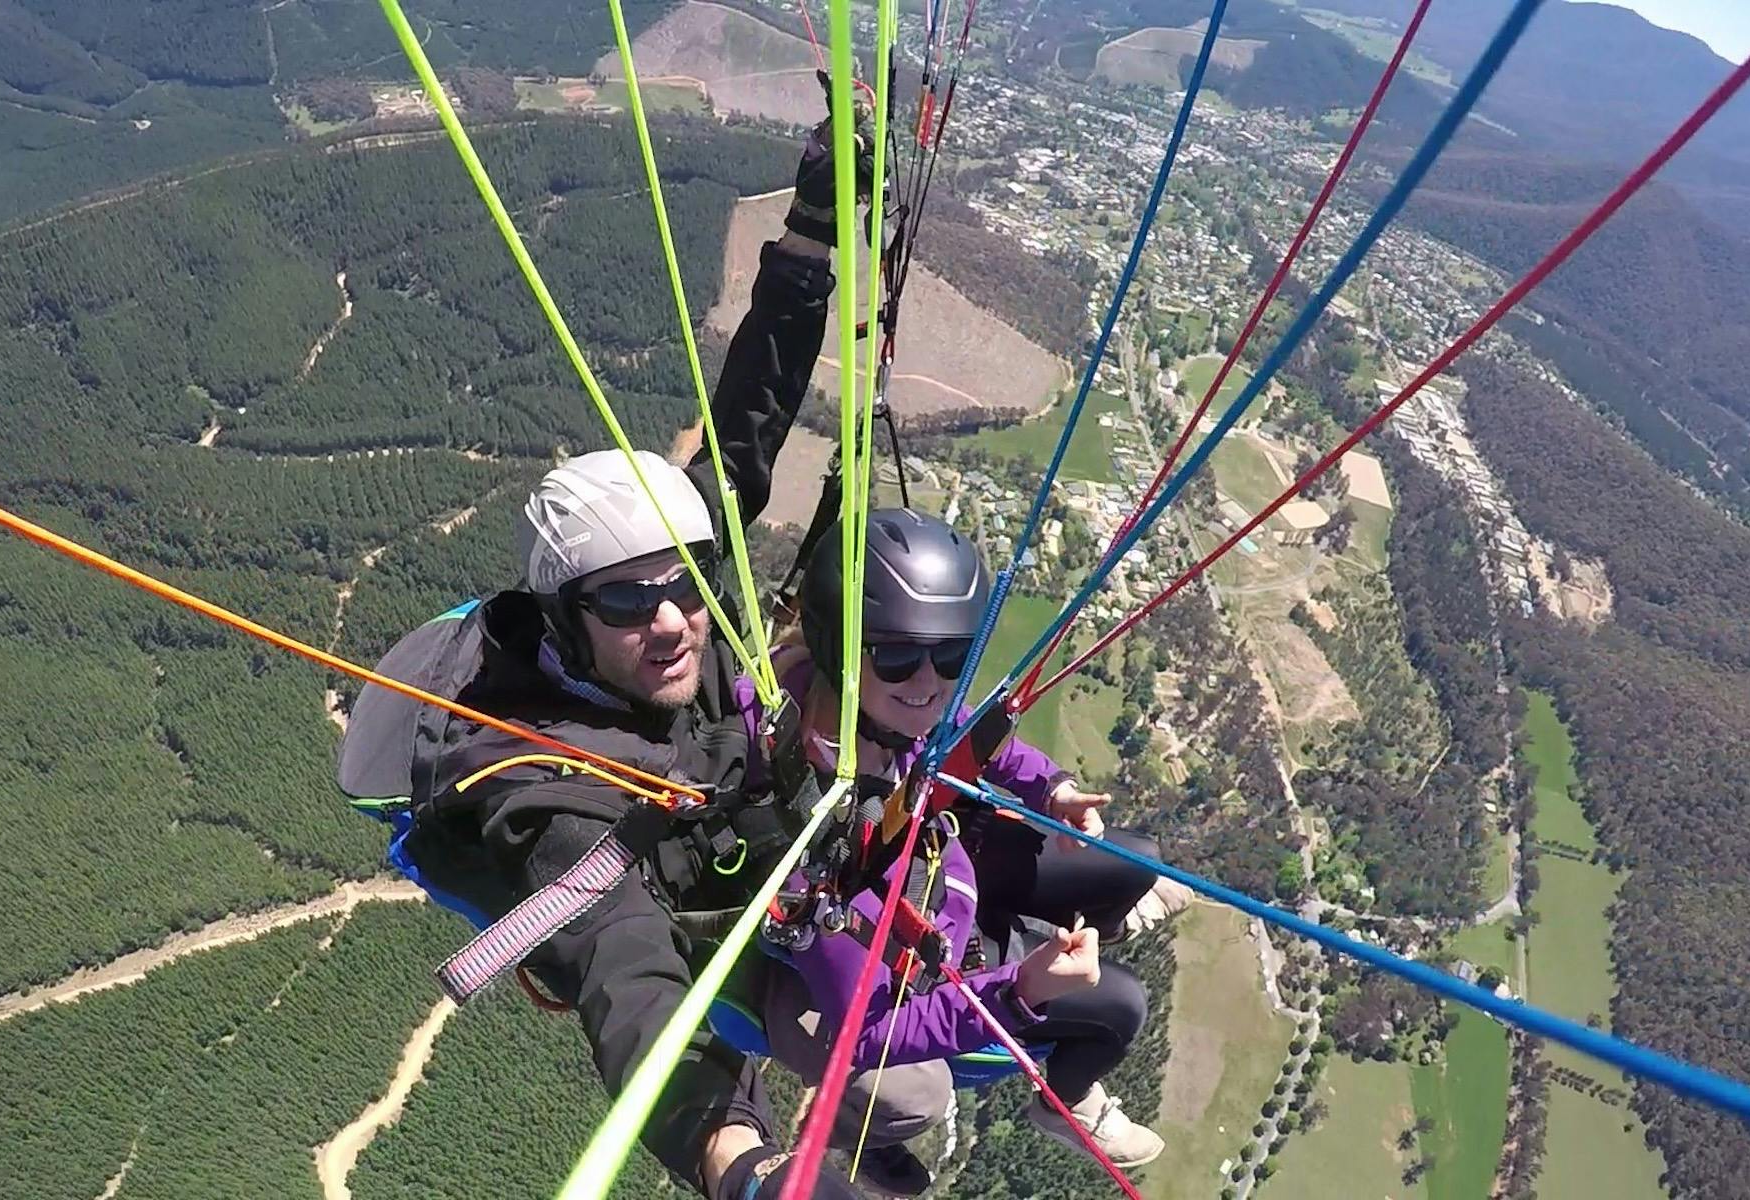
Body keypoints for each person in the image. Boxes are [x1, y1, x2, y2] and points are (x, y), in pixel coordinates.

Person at [337, 121, 874, 1200]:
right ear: (569, 618)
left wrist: (813, 234)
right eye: (629, 600)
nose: (676, 618)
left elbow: (744, 428)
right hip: (680, 889)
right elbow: (627, 976)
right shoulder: (544, 792)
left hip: (738, 809)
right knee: (901, 1095)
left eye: (687, 581)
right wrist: (743, 1166)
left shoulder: (669, 602)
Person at [736, 509, 1175, 1189]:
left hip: (937, 867)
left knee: (1133, 860)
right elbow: (872, 1029)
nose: (929, 679)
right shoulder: (795, 808)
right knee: (1118, 1010)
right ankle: (1054, 1106)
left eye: (952, 655)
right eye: (899, 654)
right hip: (880, 955)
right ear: (839, 645)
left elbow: (965, 728)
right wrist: (1023, 989)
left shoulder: (878, 702)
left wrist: (1049, 786)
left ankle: (1094, 931)